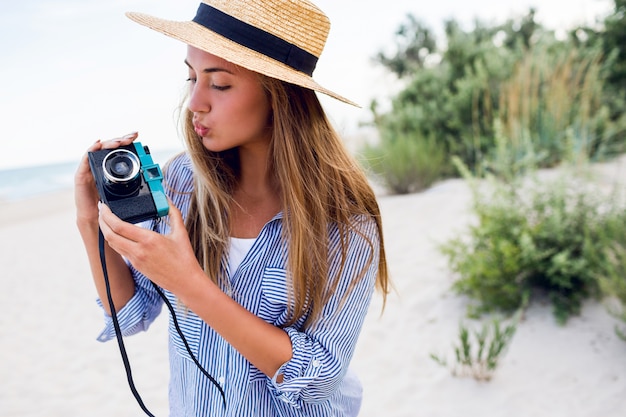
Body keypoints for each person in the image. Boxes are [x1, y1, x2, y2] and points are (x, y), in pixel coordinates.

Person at [74, 0, 389, 416]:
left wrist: (189, 283)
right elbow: (131, 313)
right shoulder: (181, 184)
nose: (195, 103)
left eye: (219, 84)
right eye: (191, 77)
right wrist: (89, 221)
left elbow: (319, 377)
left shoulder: (346, 224)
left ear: (280, 95)